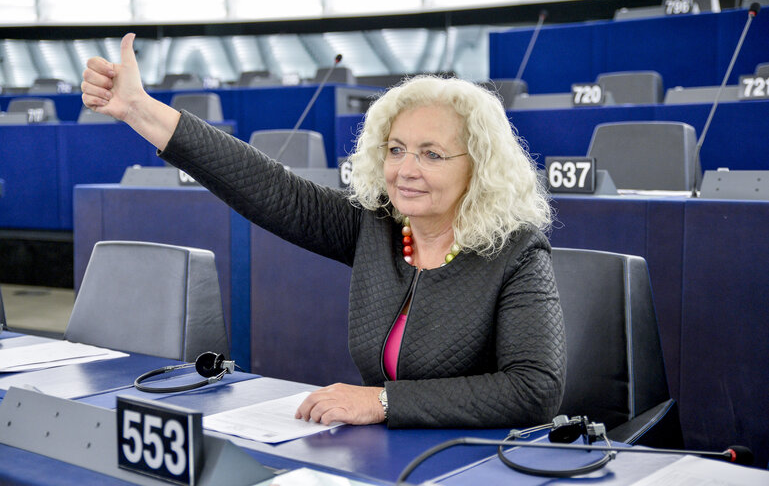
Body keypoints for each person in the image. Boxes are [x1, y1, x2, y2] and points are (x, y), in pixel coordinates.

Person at [82, 33, 566, 429]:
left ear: (478, 167)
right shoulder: (376, 225)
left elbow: (534, 389)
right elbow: (269, 188)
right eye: (395, 150)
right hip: (389, 452)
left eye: (431, 154)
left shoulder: (518, 251)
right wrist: (138, 109)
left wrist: (382, 403)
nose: (405, 169)